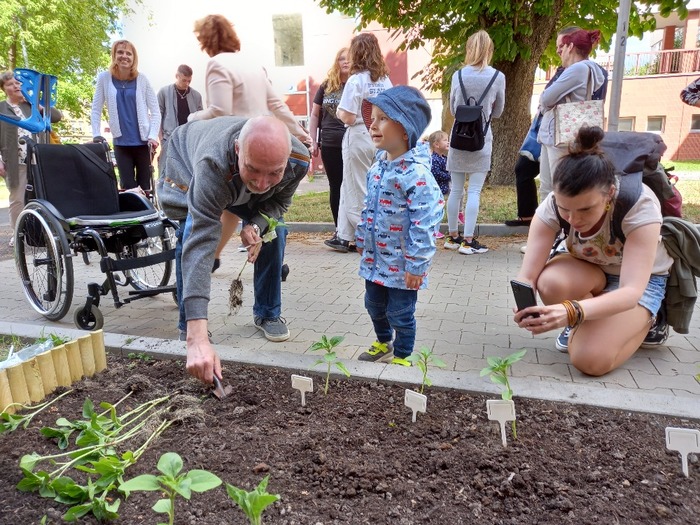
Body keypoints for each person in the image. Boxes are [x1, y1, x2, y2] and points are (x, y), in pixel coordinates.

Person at [512, 126, 673, 377]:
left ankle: (651, 319)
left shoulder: (639, 205)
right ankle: (591, 323)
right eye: (565, 209)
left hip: (638, 283)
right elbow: (528, 276)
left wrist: (571, 311)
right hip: (589, 269)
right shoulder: (552, 204)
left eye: (585, 209)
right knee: (551, 283)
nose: (573, 219)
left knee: (590, 360)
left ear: (609, 194)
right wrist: (526, 306)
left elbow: (630, 291)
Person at [161, 116, 310, 384]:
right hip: (186, 159)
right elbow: (201, 241)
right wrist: (198, 337)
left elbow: (278, 203)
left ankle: (267, 313)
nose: (262, 183)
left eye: (274, 173)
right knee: (190, 233)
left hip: (233, 181)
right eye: (254, 169)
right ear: (239, 149)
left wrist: (255, 225)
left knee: (276, 232)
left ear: (286, 160)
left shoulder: (298, 161)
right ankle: (189, 328)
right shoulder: (212, 164)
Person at [188, 14, 311, 272]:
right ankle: (260, 265)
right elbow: (276, 105)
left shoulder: (217, 64)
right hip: (267, 144)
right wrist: (299, 132)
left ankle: (206, 259)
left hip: (240, 150)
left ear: (206, 41)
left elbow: (220, 111)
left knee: (219, 208)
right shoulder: (254, 65)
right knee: (255, 213)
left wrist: (192, 119)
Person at [354, 86, 444, 366]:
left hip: (403, 266)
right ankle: (384, 342)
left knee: (401, 314)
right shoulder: (377, 168)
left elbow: (425, 222)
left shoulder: (417, 175)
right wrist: (361, 237)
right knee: (373, 305)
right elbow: (369, 206)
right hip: (375, 260)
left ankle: (403, 355)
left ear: (405, 130)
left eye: (383, 118)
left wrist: (417, 264)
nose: (373, 125)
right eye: (373, 118)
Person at [324, 32, 392, 253]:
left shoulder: (356, 80)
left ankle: (369, 235)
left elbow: (348, 116)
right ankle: (344, 236)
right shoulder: (384, 80)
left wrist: (340, 112)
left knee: (357, 189)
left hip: (360, 134)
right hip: (381, 135)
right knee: (355, 185)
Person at [444, 30, 505, 255]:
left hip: (458, 136)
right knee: (474, 191)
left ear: (469, 49)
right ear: (489, 50)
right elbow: (498, 111)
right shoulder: (497, 77)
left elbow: (453, 109)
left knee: (455, 190)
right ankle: (468, 240)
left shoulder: (458, 75)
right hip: (482, 138)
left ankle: (452, 237)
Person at [536, 29, 606, 204]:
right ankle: (552, 220)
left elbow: (546, 98)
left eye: (561, 47)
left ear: (571, 46)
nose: (558, 51)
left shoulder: (578, 69)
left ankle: (557, 221)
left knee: (556, 189)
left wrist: (545, 103)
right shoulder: (590, 69)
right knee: (552, 188)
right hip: (562, 136)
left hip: (560, 137)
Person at [0, 71, 63, 246]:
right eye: (10, 84)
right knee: (18, 199)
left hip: (40, 158)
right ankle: (18, 233)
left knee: (47, 195)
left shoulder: (32, 104)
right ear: (4, 89)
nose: (16, 86)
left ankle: (50, 231)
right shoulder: (1, 108)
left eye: (18, 83)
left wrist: (39, 106)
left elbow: (57, 117)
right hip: (15, 161)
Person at [91, 40, 160, 191]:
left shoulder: (142, 80)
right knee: (128, 188)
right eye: (120, 52)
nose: (124, 56)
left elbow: (156, 111)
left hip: (143, 143)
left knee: (145, 187)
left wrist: (153, 135)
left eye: (129, 53)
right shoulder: (104, 78)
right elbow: (96, 109)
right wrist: (96, 134)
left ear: (134, 58)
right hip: (121, 143)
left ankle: (146, 207)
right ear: (114, 55)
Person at [309, 47, 350, 228]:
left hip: (352, 142)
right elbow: (315, 115)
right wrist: (312, 140)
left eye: (349, 58)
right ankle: (339, 230)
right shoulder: (326, 85)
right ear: (337, 62)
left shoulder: (357, 84)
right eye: (342, 58)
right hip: (330, 143)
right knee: (336, 185)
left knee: (352, 186)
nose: (345, 61)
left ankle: (353, 229)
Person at [157, 64, 203, 171]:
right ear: (176, 76)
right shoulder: (164, 92)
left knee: (188, 173)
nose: (187, 84)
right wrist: (161, 140)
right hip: (169, 139)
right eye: (184, 80)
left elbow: (201, 121)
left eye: (189, 81)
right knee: (166, 172)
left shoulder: (196, 96)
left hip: (190, 141)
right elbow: (157, 117)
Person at [428, 130, 450, 239]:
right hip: (437, 190)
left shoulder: (444, 158)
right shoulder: (434, 159)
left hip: (443, 188)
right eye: (445, 140)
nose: (448, 142)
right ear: (436, 144)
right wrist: (449, 175)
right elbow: (436, 173)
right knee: (436, 210)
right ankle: (434, 230)